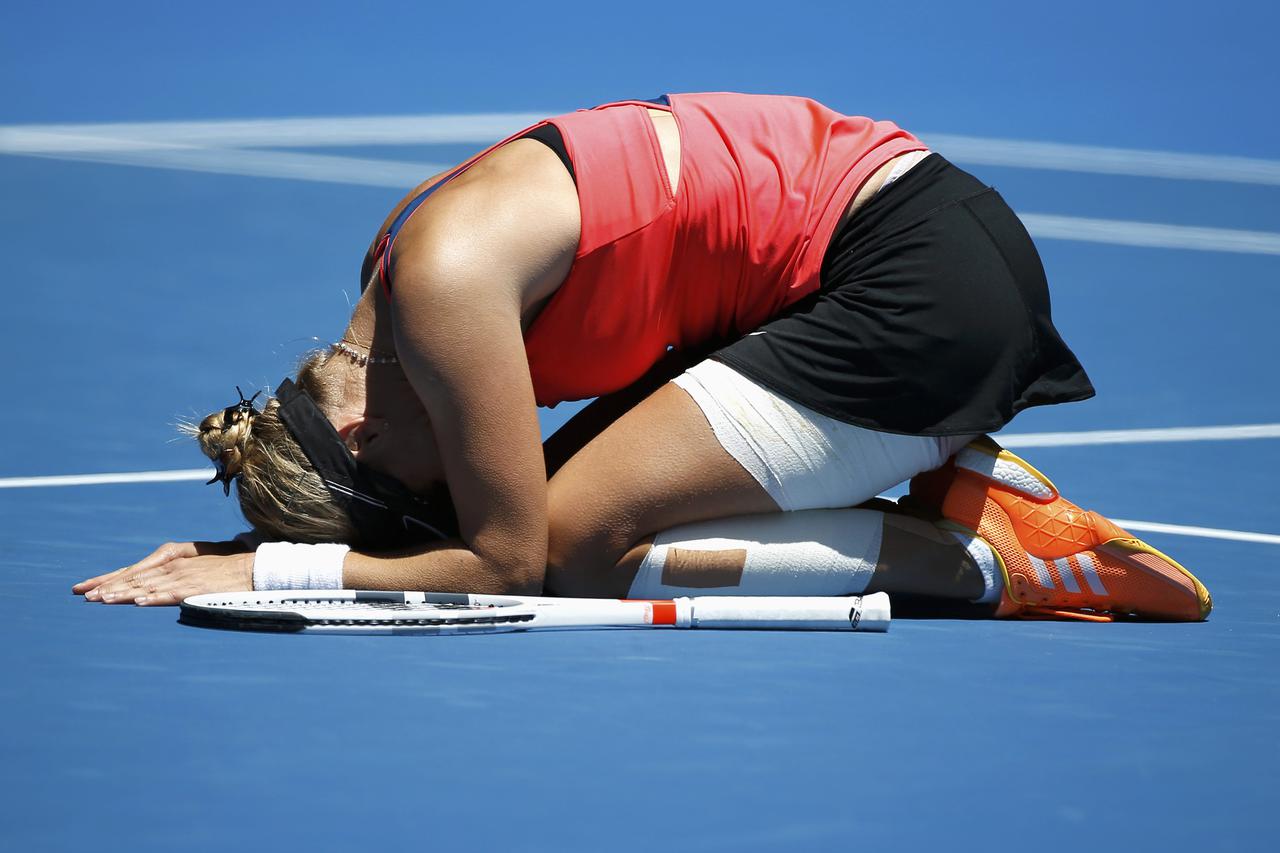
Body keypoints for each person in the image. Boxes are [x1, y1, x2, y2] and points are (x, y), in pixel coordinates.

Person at [73, 93, 1211, 621]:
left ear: (361, 433)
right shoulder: (402, 273)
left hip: (917, 297)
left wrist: (273, 571)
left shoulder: (446, 287)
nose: (455, 482)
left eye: (418, 493)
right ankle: (955, 494)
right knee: (580, 509)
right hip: (905, 257)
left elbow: (509, 561)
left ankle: (979, 558)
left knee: (569, 545)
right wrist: (261, 524)